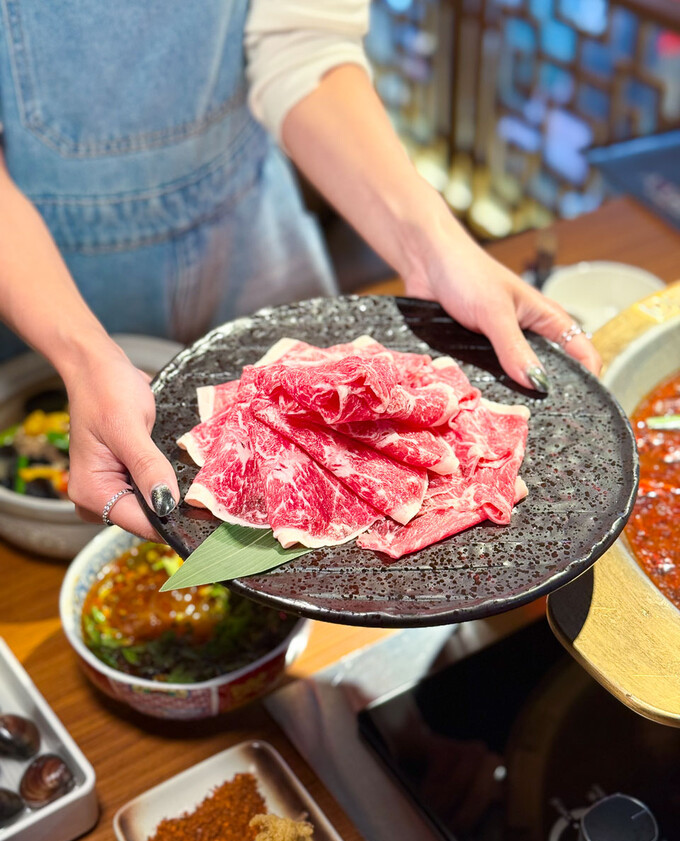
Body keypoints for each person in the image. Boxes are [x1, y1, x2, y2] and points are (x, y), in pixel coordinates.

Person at [0, 0, 600, 539]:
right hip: (42, 268)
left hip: (248, 235)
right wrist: (79, 352)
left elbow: (301, 41)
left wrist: (434, 246)